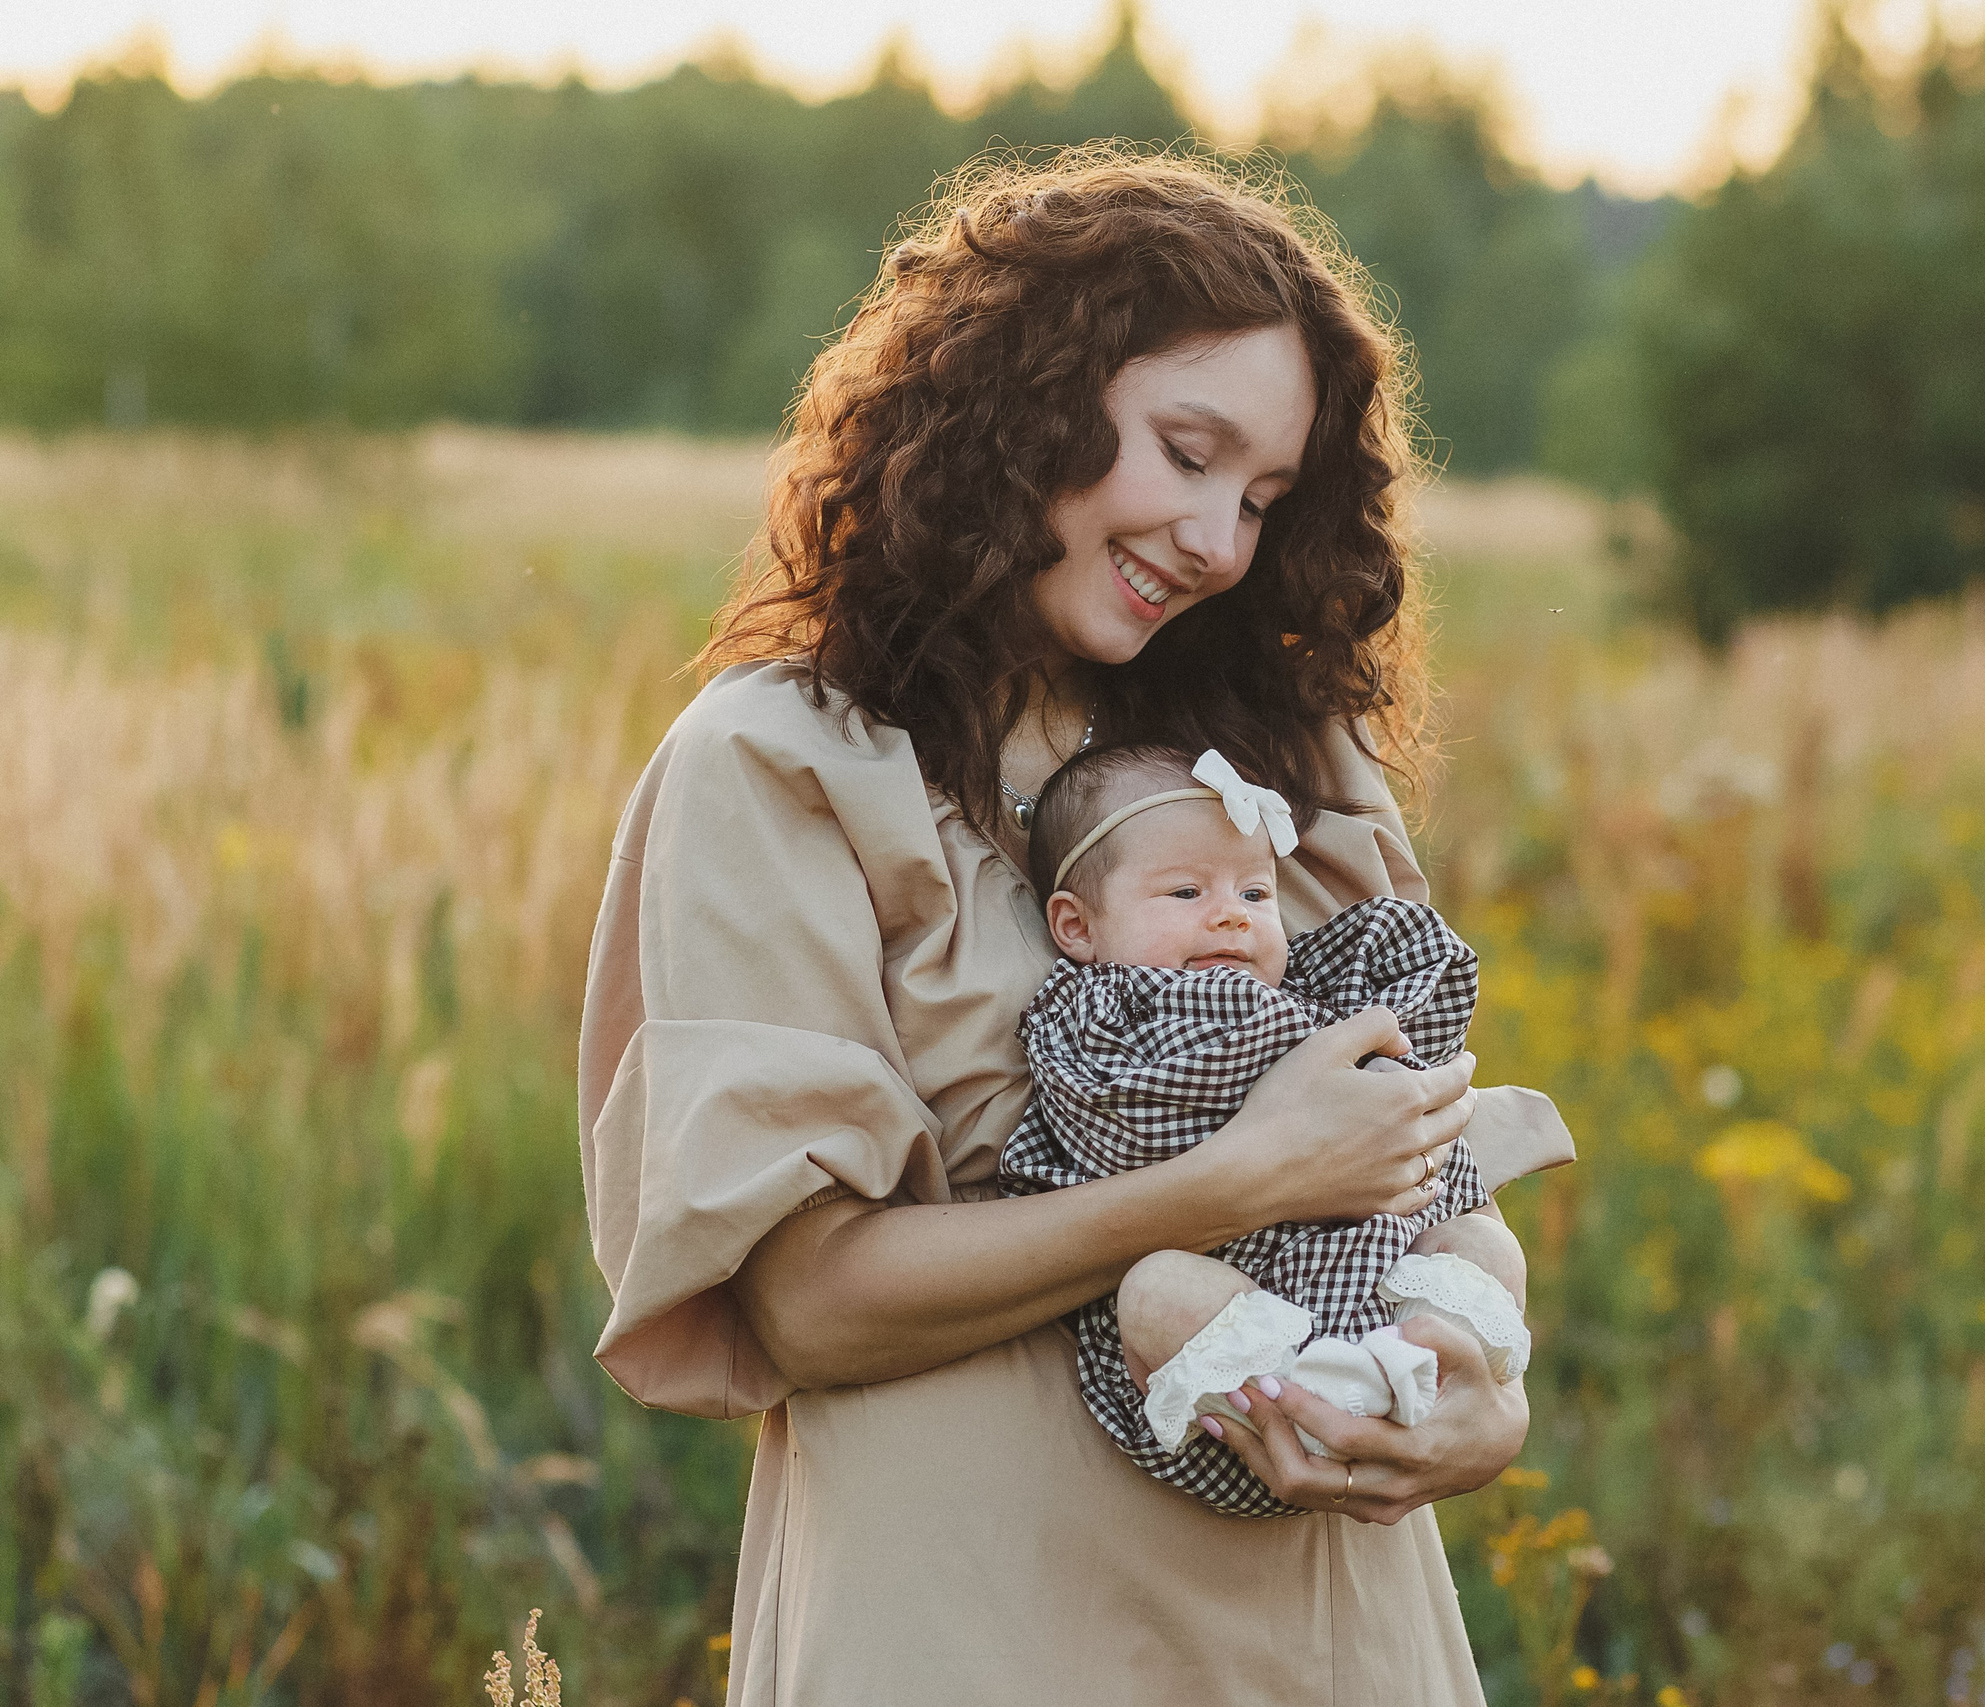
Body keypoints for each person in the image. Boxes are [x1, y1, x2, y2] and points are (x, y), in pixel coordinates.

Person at [576, 151, 1573, 1706]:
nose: (1220, 541)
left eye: (1262, 497)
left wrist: (1482, 1392)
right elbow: (804, 1298)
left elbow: (1423, 1158)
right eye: (1184, 454)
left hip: (1322, 1631)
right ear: (1024, 403)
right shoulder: (784, 763)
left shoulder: (1286, 764)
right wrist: (1231, 1180)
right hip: (969, 1619)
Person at [1000, 743, 1536, 1518]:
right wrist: (1279, 1129)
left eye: (1256, 891)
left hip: (1373, 1285)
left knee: (1487, 1244)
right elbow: (1110, 1132)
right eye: (1186, 891)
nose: (1231, 913)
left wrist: (1384, 1086)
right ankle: (1309, 1397)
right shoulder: (1101, 1023)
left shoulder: (1321, 991)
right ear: (1077, 927)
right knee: (1154, 1292)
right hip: (1236, 1328)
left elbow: (1426, 1149)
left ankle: (1431, 1359)